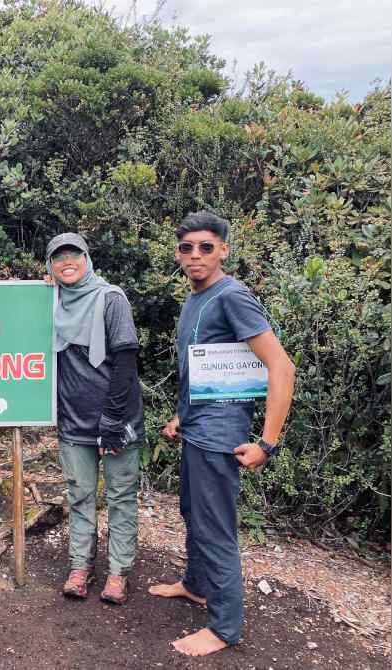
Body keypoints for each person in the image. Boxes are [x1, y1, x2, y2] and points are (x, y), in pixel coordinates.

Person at [148, 212, 295, 657]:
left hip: (220, 437)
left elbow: (281, 367)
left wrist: (267, 442)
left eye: (206, 247)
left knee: (215, 529)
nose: (195, 255)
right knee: (193, 513)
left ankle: (225, 627)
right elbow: (207, 367)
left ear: (224, 251)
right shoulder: (197, 296)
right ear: (178, 253)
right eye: (187, 248)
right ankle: (195, 585)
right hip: (196, 428)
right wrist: (180, 416)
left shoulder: (233, 296)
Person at [45, 233, 144, 604]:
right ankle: (79, 567)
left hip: (117, 420)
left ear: (87, 258)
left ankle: (118, 573)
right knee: (80, 495)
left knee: (120, 496)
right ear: (50, 266)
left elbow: (126, 361)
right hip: (74, 422)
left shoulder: (111, 298)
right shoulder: (51, 301)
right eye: (58, 257)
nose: (67, 261)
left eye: (74, 254)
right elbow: (7, 298)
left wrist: (113, 420)